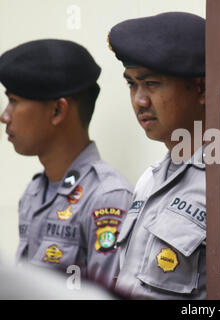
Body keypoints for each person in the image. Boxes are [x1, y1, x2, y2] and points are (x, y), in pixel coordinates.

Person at [0, 39, 133, 291]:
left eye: (14, 101)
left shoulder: (107, 197)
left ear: (57, 111)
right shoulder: (35, 192)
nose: (4, 116)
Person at [107, 12, 207, 299]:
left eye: (152, 84)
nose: (139, 100)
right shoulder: (149, 181)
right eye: (132, 84)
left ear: (199, 88)